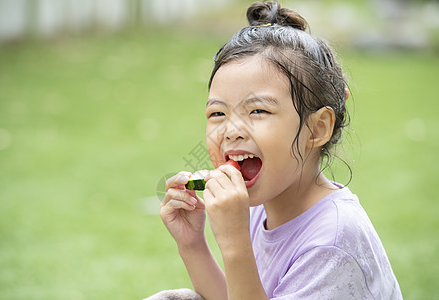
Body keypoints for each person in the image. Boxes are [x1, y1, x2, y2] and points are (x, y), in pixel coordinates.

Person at [159, 1, 402, 299]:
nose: (231, 131)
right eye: (218, 114)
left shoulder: (333, 240)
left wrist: (235, 245)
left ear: (317, 129)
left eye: (258, 110)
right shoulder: (260, 205)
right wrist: (191, 244)